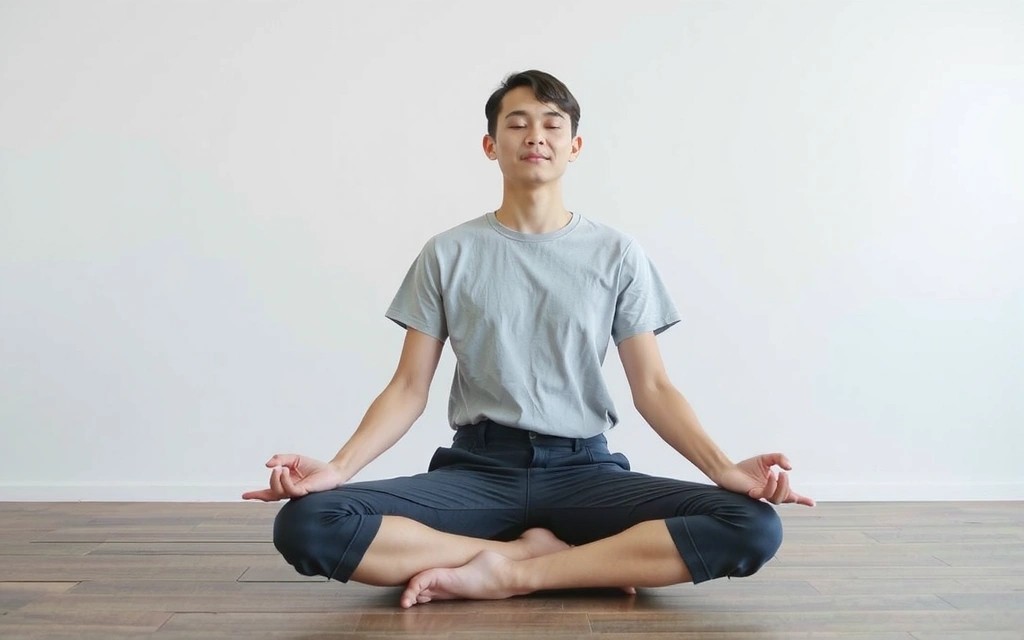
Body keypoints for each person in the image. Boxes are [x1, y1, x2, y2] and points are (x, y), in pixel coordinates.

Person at [243, 69, 815, 609]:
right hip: (476, 472)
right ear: (491, 145)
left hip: (584, 473)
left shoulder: (617, 254)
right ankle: (539, 554)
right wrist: (339, 469)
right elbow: (409, 388)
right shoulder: (448, 253)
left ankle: (519, 573)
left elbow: (654, 387)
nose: (534, 136)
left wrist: (723, 471)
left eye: (551, 124)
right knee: (308, 522)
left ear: (575, 146)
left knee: (752, 526)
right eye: (516, 124)